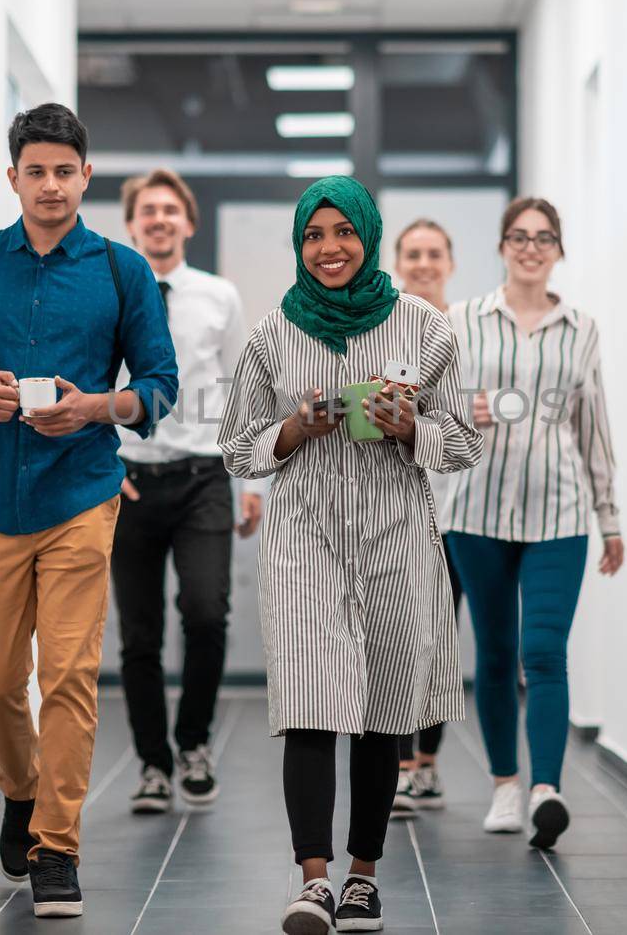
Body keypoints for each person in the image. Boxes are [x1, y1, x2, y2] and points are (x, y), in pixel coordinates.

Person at [0, 104, 179, 919]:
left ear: (85, 176)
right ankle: (21, 790)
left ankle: (56, 846)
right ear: (13, 177)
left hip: (80, 495)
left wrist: (95, 407)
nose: (51, 184)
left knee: (66, 675)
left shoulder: (122, 271)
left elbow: (158, 386)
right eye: (36, 171)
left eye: (65, 170)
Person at [217, 177, 482, 935]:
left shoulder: (425, 327)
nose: (329, 247)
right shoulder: (272, 333)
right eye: (313, 235)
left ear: (368, 235)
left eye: (343, 232)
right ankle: (314, 880)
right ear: (299, 244)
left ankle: (364, 876)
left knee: (380, 707)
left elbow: (462, 441)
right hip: (306, 535)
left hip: (397, 534)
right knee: (309, 698)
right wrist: (294, 431)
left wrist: (408, 429)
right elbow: (236, 447)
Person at [440, 196, 626, 852]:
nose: (530, 247)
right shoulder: (461, 321)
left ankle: (547, 789)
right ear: (501, 245)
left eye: (544, 237)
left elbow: (593, 427)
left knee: (543, 652)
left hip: (560, 511)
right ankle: (505, 785)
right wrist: (467, 408)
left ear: (558, 250)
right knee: (493, 654)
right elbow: (428, 408)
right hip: (475, 509)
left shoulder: (582, 329)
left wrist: (610, 518)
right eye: (519, 236)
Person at [110, 167, 265, 814]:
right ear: (132, 223)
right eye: (148, 210)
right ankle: (152, 763)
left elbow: (241, 386)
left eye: (171, 210)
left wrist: (251, 478)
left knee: (205, 612)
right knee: (139, 633)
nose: (160, 219)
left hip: (204, 475)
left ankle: (193, 742)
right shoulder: (108, 287)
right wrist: (102, 463)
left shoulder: (218, 295)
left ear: (188, 222)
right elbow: (85, 377)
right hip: (129, 480)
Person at [387, 219, 464, 818]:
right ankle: (401, 761)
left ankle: (427, 762)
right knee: (398, 632)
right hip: (395, 505)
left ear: (450, 263)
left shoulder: (465, 331)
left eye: (433, 254)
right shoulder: (387, 330)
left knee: (441, 633)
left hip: (458, 505)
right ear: (397, 260)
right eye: (412, 254)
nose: (423, 263)